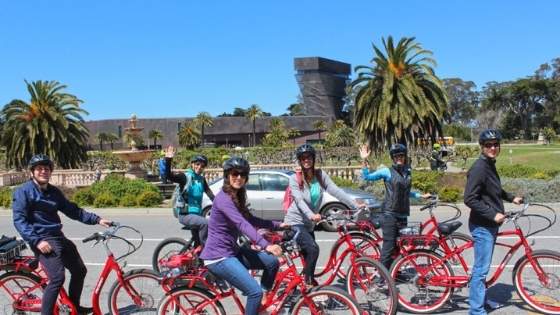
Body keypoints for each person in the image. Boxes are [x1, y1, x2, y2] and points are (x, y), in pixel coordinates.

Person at [12, 154, 112, 315]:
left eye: (46, 168)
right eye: (39, 169)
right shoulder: (23, 192)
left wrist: (97, 220)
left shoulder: (53, 192)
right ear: (32, 172)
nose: (43, 171)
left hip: (58, 236)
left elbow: (72, 210)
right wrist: (37, 241)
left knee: (80, 271)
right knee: (57, 278)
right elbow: (19, 221)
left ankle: (74, 307)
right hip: (42, 240)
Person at [199, 157, 287, 315]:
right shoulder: (223, 199)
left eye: (243, 175)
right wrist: (266, 245)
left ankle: (261, 303)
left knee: (272, 263)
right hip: (218, 257)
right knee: (254, 292)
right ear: (227, 175)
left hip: (232, 251)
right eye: (235, 173)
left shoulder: (237, 195)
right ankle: (257, 302)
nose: (239, 177)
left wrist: (278, 225)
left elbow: (250, 219)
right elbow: (242, 224)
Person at [284, 144, 362, 286]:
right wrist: (311, 215)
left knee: (310, 255)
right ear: (299, 160)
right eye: (303, 158)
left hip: (308, 224)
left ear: (313, 159)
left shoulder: (319, 175)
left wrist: (354, 205)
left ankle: (308, 280)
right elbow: (299, 200)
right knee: (313, 249)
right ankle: (308, 284)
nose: (306, 160)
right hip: (295, 221)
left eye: (309, 157)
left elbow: (335, 190)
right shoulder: (295, 178)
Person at [464, 129, 523, 315]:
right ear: (482, 147)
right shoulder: (479, 168)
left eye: (496, 144)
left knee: (483, 268)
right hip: (482, 225)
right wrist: (493, 214)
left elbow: (494, 190)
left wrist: (511, 197)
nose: (493, 147)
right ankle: (476, 310)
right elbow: (470, 199)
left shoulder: (489, 164)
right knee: (481, 270)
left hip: (489, 224)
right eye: (488, 145)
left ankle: (481, 299)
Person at [360, 143, 431, 272]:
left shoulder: (407, 172)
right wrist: (365, 159)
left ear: (404, 157)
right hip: (389, 214)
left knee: (399, 246)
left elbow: (405, 192)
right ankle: (381, 277)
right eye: (396, 156)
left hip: (403, 214)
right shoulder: (387, 171)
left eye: (401, 156)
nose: (399, 158)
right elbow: (367, 177)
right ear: (393, 157)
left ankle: (394, 272)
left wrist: (421, 195)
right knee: (389, 247)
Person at [164, 146, 214, 245]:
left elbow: (210, 194)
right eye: (197, 164)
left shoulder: (201, 180)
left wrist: (223, 205)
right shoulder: (185, 177)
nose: (199, 167)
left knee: (198, 241)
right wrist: (168, 159)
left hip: (196, 215)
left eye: (202, 166)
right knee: (206, 223)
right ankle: (207, 250)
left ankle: (198, 257)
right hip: (185, 215)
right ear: (192, 164)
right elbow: (168, 176)